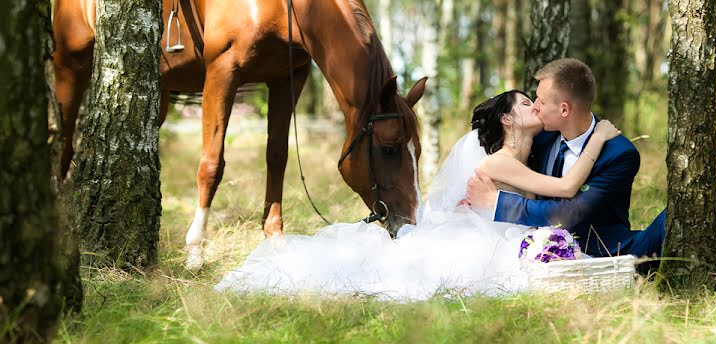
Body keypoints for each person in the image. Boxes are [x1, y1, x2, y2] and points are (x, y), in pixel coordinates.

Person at [216, 88, 620, 300]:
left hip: (497, 229)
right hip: (486, 238)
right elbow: (566, 189)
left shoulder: (529, 156)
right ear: (507, 118)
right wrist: (600, 135)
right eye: (527, 102)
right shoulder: (499, 161)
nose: (535, 107)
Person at [466, 58, 666, 273]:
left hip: (605, 253)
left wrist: (499, 203)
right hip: (536, 248)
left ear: (564, 110)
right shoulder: (540, 137)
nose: (535, 107)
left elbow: (572, 211)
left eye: (541, 101)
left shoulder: (618, 154)